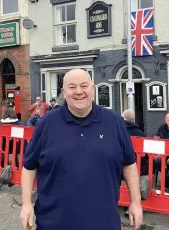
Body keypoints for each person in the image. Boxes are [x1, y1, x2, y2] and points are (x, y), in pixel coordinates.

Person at [20, 69, 143, 230]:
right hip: (54, 223)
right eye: (72, 87)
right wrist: (26, 204)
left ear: (93, 89)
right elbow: (29, 167)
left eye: (84, 86)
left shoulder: (114, 122)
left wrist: (135, 202)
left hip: (104, 222)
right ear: (64, 92)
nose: (79, 91)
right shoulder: (46, 124)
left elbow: (129, 164)